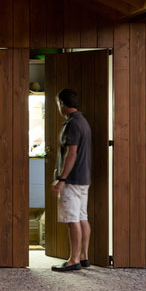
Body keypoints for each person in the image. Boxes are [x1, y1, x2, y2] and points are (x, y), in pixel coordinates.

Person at [51, 88, 93, 272]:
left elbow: (71, 153)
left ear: (62, 103)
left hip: (72, 179)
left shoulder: (73, 124)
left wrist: (62, 179)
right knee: (82, 217)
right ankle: (84, 256)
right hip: (84, 178)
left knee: (72, 219)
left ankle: (73, 260)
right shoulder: (83, 122)